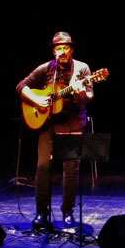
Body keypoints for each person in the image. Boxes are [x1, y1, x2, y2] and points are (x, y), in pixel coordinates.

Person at [16, 32, 94, 230]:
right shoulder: (46, 69)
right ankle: (42, 212)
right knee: (43, 167)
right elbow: (21, 86)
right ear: (54, 51)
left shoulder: (82, 68)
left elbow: (90, 95)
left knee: (71, 170)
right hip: (48, 124)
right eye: (58, 48)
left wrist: (81, 92)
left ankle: (68, 213)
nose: (62, 51)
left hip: (72, 122)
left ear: (71, 49)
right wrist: (37, 100)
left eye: (65, 47)